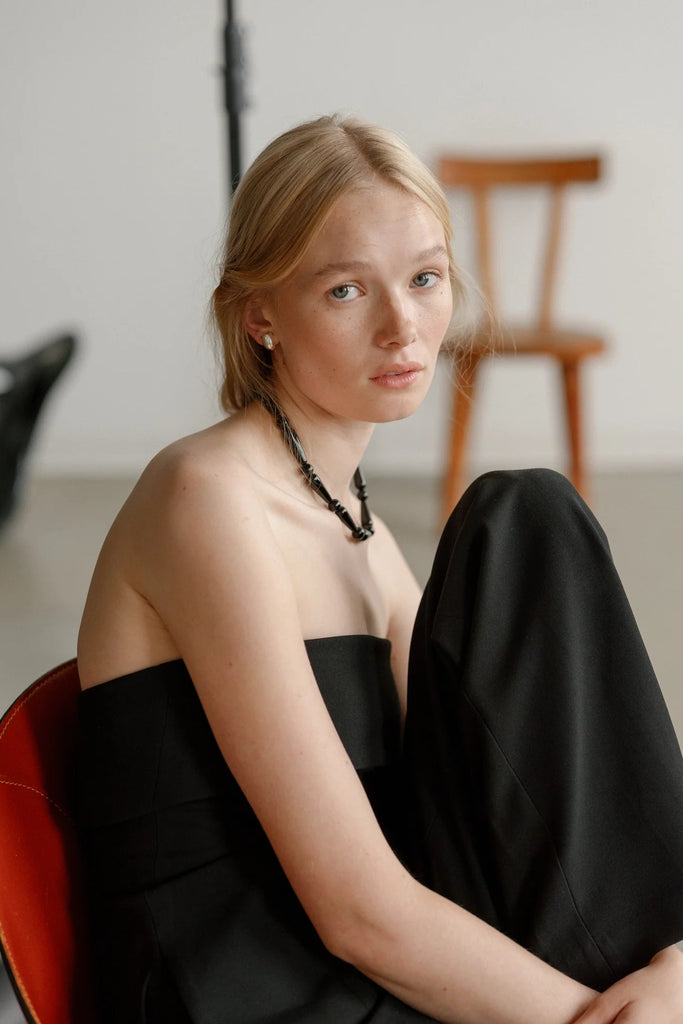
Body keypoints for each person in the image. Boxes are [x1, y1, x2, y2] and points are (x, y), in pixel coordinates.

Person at [76, 115, 683, 1024]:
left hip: (378, 964)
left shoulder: (360, 530)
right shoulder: (206, 498)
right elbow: (359, 915)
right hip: (258, 990)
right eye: (347, 290)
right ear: (259, 316)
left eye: (425, 279)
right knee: (518, 514)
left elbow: (499, 789)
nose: (403, 327)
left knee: (527, 520)